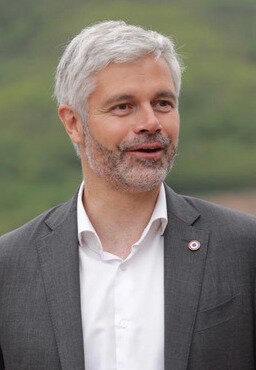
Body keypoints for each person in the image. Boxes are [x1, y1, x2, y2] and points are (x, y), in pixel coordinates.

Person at [0, 20, 255, 370]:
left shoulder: (244, 248)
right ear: (74, 123)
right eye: (123, 106)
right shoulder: (9, 267)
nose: (151, 122)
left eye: (163, 103)